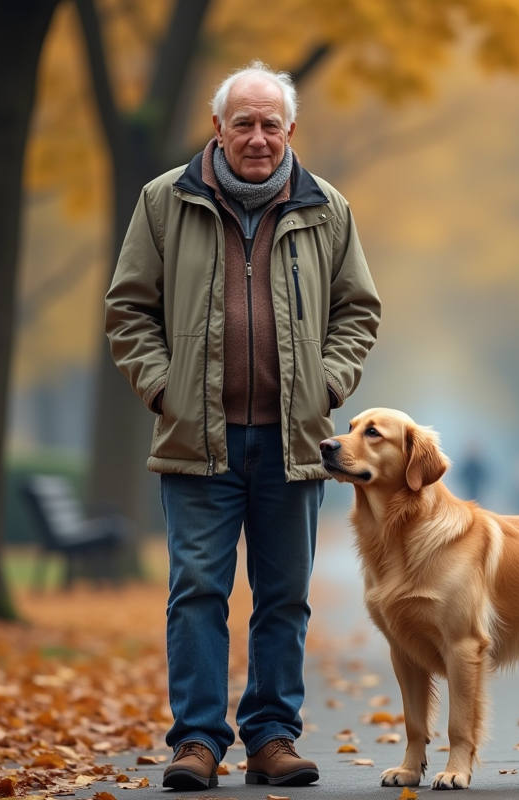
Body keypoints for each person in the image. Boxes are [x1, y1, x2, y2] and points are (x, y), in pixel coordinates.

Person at [104, 60, 380, 791]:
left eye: (269, 124)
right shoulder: (165, 202)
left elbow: (358, 311)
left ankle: (271, 738)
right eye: (243, 124)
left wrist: (326, 382)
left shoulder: (328, 208)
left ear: (290, 130)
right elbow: (128, 308)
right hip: (200, 441)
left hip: (293, 443)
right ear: (217, 128)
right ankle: (196, 741)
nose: (256, 138)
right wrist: (165, 391)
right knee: (197, 591)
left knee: (284, 595)